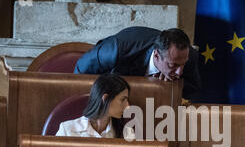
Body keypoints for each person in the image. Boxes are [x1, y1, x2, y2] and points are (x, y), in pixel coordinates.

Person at [74, 26, 202, 100]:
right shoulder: (116, 50)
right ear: (156, 55)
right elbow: (80, 71)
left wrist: (174, 85)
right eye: (173, 65)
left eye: (183, 65)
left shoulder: (188, 56)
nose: (180, 72)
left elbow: (194, 90)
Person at [56, 73, 134, 140]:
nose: (127, 107)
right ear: (105, 98)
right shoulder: (67, 130)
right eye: (123, 100)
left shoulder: (126, 132)